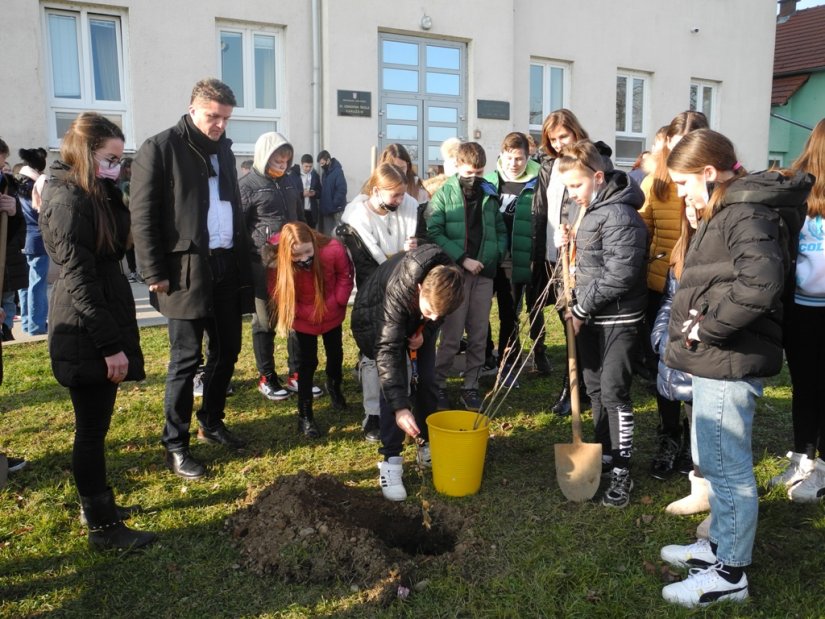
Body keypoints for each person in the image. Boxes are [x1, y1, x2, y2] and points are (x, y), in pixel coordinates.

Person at [659, 129, 810, 608]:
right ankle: (718, 546)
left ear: (709, 172)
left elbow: (761, 283)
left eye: (684, 183)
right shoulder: (728, 207)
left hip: (728, 358)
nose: (681, 192)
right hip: (717, 358)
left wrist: (711, 329)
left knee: (729, 469)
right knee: (715, 458)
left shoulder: (745, 210)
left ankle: (731, 573)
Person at [39, 112, 156, 550]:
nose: (116, 166)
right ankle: (102, 527)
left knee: (96, 426)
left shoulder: (95, 192)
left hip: (101, 316)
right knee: (90, 429)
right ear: (85, 153)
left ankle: (101, 507)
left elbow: (118, 246)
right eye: (110, 158)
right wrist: (111, 347)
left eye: (119, 159)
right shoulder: (68, 201)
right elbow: (79, 280)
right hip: (85, 329)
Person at [130, 78, 254, 480]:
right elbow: (143, 216)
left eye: (225, 118)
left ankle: (211, 422)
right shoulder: (160, 147)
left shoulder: (224, 150)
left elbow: (231, 205)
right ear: (192, 108)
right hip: (184, 272)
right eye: (212, 116)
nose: (219, 124)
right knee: (186, 360)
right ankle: (175, 444)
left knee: (228, 351)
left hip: (225, 267)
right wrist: (153, 272)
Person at [558, 140, 648, 508]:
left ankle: (623, 471)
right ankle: (605, 454)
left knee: (614, 394)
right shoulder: (593, 210)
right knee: (594, 390)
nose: (572, 193)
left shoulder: (620, 215)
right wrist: (571, 244)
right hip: (594, 317)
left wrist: (580, 309)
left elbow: (619, 275)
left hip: (619, 320)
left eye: (576, 185)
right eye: (567, 187)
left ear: (597, 176)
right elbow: (593, 261)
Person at [351, 244, 464, 500]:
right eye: (429, 311)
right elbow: (387, 351)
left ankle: (424, 444)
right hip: (375, 319)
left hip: (413, 322)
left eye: (439, 314)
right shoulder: (400, 288)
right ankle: (390, 460)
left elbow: (437, 315)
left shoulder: (450, 280)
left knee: (427, 380)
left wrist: (425, 330)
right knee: (394, 383)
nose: (435, 316)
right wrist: (401, 408)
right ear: (419, 289)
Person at [639, 111, 709, 479]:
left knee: (697, 368)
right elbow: (644, 228)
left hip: (701, 288)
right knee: (663, 368)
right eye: (674, 144)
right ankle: (670, 436)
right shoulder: (658, 183)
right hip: (663, 283)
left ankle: (699, 443)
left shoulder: (712, 185)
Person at [338, 162, 423, 441]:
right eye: (394, 196)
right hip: (373, 295)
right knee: (375, 354)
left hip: (405, 289)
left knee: (401, 349)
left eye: (402, 195)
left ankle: (403, 404)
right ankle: (372, 413)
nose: (401, 200)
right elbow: (367, 267)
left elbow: (418, 245)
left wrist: (411, 250)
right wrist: (399, 255)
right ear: (376, 191)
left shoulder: (408, 208)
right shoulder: (356, 221)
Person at [428, 142, 506, 412]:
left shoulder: (489, 193)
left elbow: (499, 229)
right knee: (451, 334)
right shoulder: (444, 194)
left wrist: (492, 255)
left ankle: (470, 386)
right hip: (455, 274)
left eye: (480, 171)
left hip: (483, 273)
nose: (475, 177)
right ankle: (437, 384)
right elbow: (435, 231)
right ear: (458, 166)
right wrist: (462, 259)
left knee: (479, 333)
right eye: (470, 172)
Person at [773, 117, 825, 501]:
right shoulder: (797, 192)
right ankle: (804, 457)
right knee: (805, 386)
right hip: (802, 308)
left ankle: (822, 471)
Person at [651, 200, 710, 527]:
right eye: (687, 208)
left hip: (706, 349)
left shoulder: (722, 247)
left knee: (706, 419)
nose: (692, 213)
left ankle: (708, 483)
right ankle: (694, 478)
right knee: (679, 400)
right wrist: (661, 336)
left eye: (698, 208)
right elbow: (670, 300)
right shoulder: (682, 248)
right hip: (677, 346)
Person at [263, 222, 353, 437]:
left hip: (332, 312)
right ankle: (305, 415)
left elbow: (344, 275)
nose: (304, 259)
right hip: (303, 320)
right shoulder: (277, 264)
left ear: (313, 243)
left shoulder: (333, 249)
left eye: (307, 252)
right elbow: (279, 293)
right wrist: (305, 313)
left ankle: (334, 386)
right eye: (297, 255)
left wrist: (337, 301)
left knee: (335, 354)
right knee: (306, 364)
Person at [240, 132, 305, 403]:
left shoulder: (291, 182)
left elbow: (300, 216)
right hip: (261, 264)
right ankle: (267, 376)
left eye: (286, 160)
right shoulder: (247, 185)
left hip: (291, 262)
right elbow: (239, 227)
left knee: (295, 319)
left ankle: (297, 374)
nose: (282, 164)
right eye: (278, 159)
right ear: (265, 156)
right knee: (264, 322)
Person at [483, 131, 548, 381]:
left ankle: (509, 362)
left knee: (510, 311)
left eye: (519, 159)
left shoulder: (539, 180)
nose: (514, 164)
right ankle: (488, 355)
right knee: (479, 309)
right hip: (491, 256)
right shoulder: (489, 180)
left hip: (519, 256)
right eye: (509, 158)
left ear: (528, 156)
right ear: (502, 155)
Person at [15, 148, 49, 335]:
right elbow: (42, 212)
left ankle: (29, 323)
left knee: (26, 283)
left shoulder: (19, 183)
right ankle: (36, 325)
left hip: (22, 238)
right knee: (37, 283)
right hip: (36, 238)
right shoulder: (38, 184)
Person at [0, 138, 28, 341]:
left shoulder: (8, 184)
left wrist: (13, 211)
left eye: (1, 165)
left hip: (7, 260)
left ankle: (6, 331)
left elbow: (18, 227)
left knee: (8, 299)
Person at [317, 150, 347, 236]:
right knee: (328, 235)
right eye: (320, 164)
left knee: (339, 235)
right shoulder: (324, 173)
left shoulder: (338, 172)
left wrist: (334, 203)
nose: (321, 166)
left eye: (322, 163)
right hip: (327, 209)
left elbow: (342, 189)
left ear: (328, 160)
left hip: (336, 209)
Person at [294, 154, 321, 229]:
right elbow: (291, 194)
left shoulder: (315, 175)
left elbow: (320, 193)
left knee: (312, 234)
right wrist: (302, 194)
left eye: (310, 166)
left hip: (312, 212)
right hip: (300, 212)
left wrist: (315, 193)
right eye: (306, 166)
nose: (308, 169)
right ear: (301, 164)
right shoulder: (295, 176)